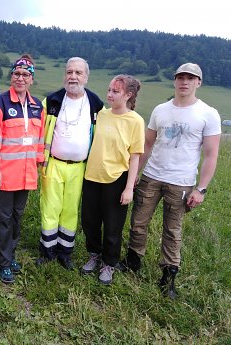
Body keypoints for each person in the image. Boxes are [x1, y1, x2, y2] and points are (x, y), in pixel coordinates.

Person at [119, 63, 221, 298]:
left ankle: (168, 275)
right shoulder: (160, 110)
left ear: (199, 83)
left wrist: (201, 189)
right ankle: (133, 261)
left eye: (190, 78)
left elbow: (211, 155)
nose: (184, 82)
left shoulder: (208, 114)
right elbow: (147, 144)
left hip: (181, 181)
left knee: (172, 230)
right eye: (181, 77)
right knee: (138, 222)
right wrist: (135, 175)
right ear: (174, 81)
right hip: (152, 176)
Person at [35, 57, 104, 270]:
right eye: (69, 72)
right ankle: (47, 251)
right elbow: (39, 131)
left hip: (80, 167)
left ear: (86, 76)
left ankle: (65, 252)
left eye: (78, 72)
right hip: (53, 163)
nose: (73, 76)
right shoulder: (52, 100)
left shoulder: (95, 104)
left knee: (70, 210)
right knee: (50, 207)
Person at [0, 54, 45, 284]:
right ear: (11, 76)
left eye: (25, 75)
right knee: (3, 218)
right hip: (3, 175)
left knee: (17, 218)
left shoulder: (38, 106)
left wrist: (39, 163)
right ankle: (3, 263)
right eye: (16, 74)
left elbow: (40, 140)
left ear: (31, 79)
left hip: (26, 175)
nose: (20, 78)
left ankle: (10, 256)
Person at [80, 75, 145, 285]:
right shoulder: (102, 115)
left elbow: (135, 156)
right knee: (90, 221)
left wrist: (129, 188)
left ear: (128, 95)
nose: (109, 94)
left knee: (112, 226)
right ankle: (94, 254)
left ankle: (109, 263)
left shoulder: (135, 121)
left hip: (117, 178)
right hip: (92, 176)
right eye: (109, 90)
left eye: (115, 92)